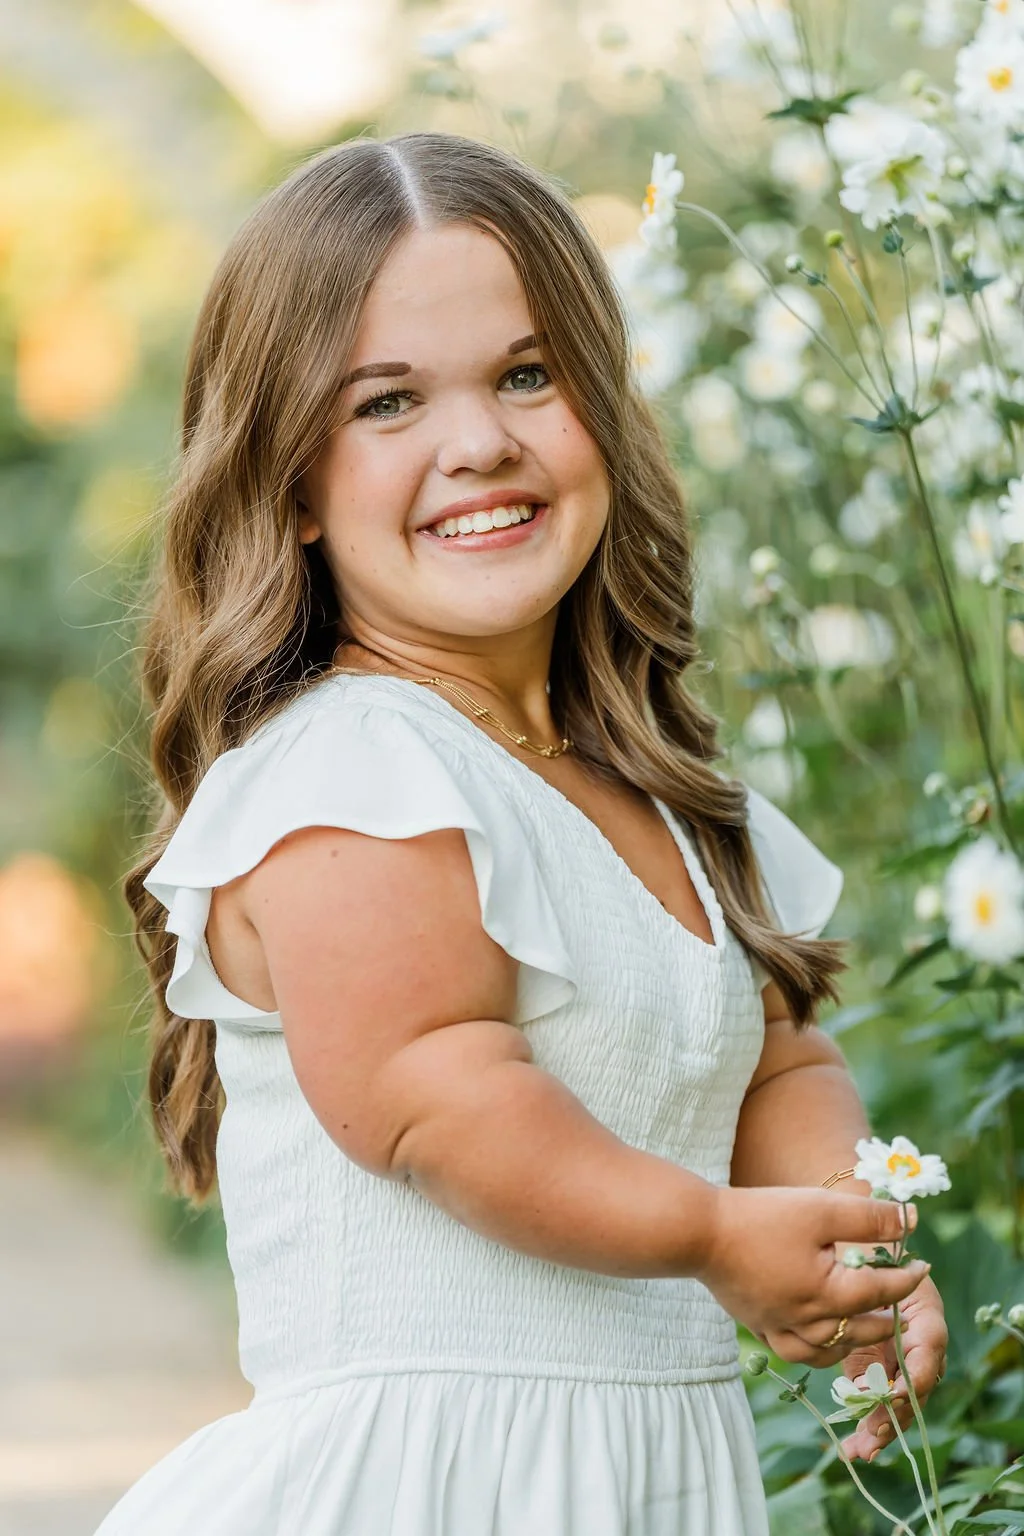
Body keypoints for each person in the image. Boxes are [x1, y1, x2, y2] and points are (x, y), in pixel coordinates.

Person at [102, 130, 947, 1535]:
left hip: (639, 1480)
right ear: (291, 484)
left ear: (600, 408)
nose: (477, 441)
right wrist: (716, 1237)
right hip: (436, 1480)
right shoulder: (351, 770)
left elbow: (776, 1050)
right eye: (386, 403)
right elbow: (439, 1100)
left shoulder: (657, 780)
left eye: (526, 374)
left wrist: (835, 1228)